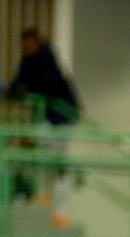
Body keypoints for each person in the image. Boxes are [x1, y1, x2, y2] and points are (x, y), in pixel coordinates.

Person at [6, 28, 82, 225]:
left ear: (36, 43)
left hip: (60, 118)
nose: (26, 48)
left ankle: (58, 207)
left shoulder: (47, 60)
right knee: (37, 158)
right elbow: (18, 85)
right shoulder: (27, 61)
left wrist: (27, 90)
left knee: (56, 162)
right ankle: (37, 196)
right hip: (46, 119)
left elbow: (47, 87)